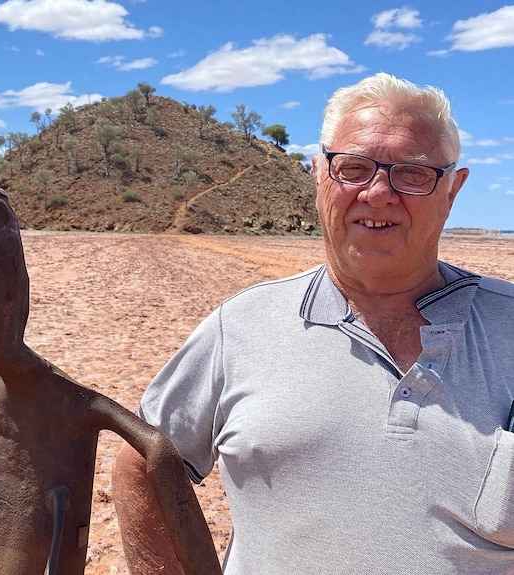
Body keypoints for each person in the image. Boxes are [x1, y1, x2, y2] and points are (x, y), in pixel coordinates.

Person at [113, 72, 514, 574]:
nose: (378, 193)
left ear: (453, 189)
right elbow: (145, 462)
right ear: (318, 174)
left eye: (412, 174)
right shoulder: (240, 327)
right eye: (354, 168)